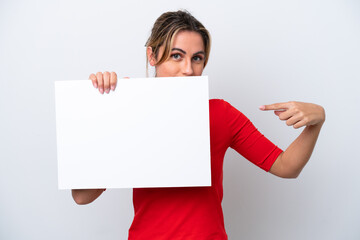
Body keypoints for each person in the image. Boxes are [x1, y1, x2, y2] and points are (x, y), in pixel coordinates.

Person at [71, 10, 325, 239]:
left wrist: (316, 121)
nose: (188, 69)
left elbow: (286, 166)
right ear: (152, 55)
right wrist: (103, 109)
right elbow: (82, 196)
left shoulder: (221, 114)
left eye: (197, 58)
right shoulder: (129, 108)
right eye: (176, 56)